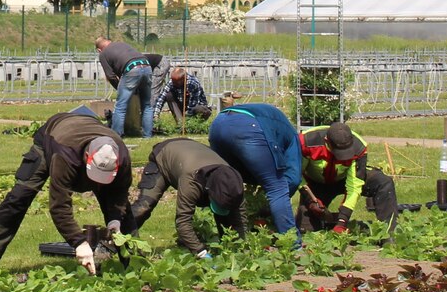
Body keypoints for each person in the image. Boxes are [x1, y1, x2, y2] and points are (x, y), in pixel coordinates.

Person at [0, 111, 132, 277]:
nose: (98, 184)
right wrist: (79, 243)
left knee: (124, 214)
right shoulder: (65, 155)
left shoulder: (121, 156)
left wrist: (115, 219)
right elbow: (59, 206)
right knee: (18, 198)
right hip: (52, 137)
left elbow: (119, 194)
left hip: (84, 131)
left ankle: (134, 263)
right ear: (87, 157)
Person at [126, 138, 249, 258]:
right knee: (143, 207)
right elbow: (183, 222)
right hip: (165, 155)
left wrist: (241, 250)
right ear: (209, 190)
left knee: (226, 217)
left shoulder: (233, 184)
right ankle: (114, 241)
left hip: (193, 153)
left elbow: (240, 220)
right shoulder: (192, 182)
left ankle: (191, 244)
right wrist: (201, 252)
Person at [208, 102, 304, 238]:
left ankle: (230, 240)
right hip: (248, 125)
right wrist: (269, 206)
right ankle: (293, 243)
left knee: (226, 183)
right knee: (276, 187)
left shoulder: (277, 124)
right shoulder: (293, 137)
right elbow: (293, 179)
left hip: (218, 123)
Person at [297, 122, 399, 234]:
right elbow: (296, 174)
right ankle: (327, 222)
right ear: (327, 141)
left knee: (383, 182)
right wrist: (310, 199)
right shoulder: (305, 142)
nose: (343, 156)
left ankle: (389, 234)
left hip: (344, 179)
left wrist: (342, 221)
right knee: (305, 231)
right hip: (315, 184)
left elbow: (354, 186)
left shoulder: (359, 147)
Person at [95, 37, 163, 139]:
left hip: (131, 68)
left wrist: (119, 88)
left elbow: (110, 76)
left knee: (120, 106)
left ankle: (116, 135)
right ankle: (147, 136)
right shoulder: (121, 44)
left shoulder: (103, 54)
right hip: (146, 66)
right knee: (147, 105)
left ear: (99, 50)